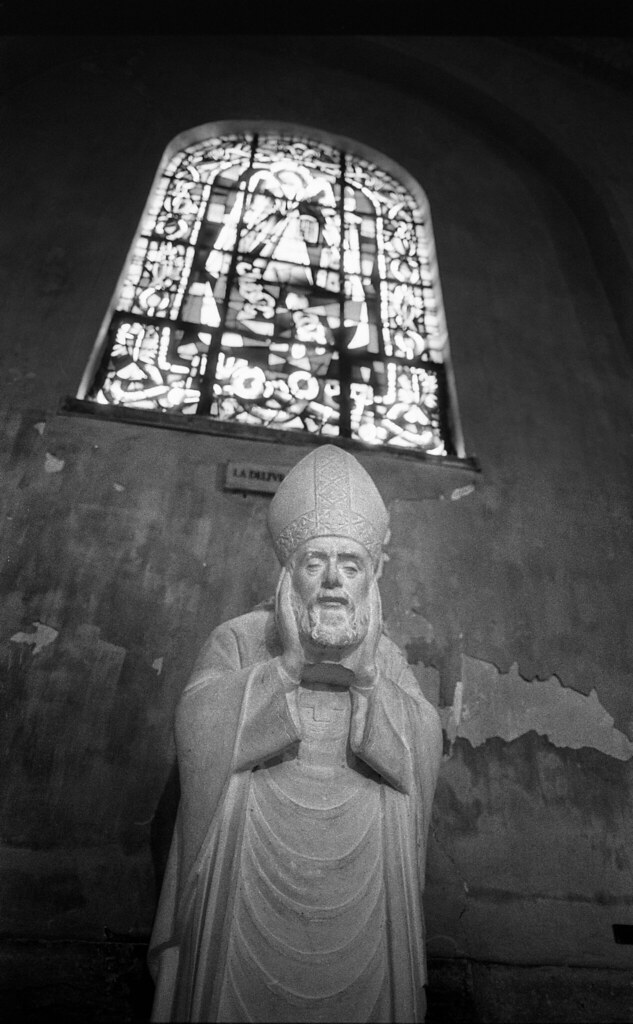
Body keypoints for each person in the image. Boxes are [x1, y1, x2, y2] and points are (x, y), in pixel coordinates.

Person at [148, 444, 442, 1022]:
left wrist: (366, 684)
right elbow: (196, 727)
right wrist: (283, 669)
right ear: (289, 571)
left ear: (370, 578)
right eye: (315, 562)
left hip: (367, 871)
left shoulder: (386, 657)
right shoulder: (240, 639)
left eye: (351, 565)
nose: (333, 580)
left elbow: (424, 747)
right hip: (246, 861)